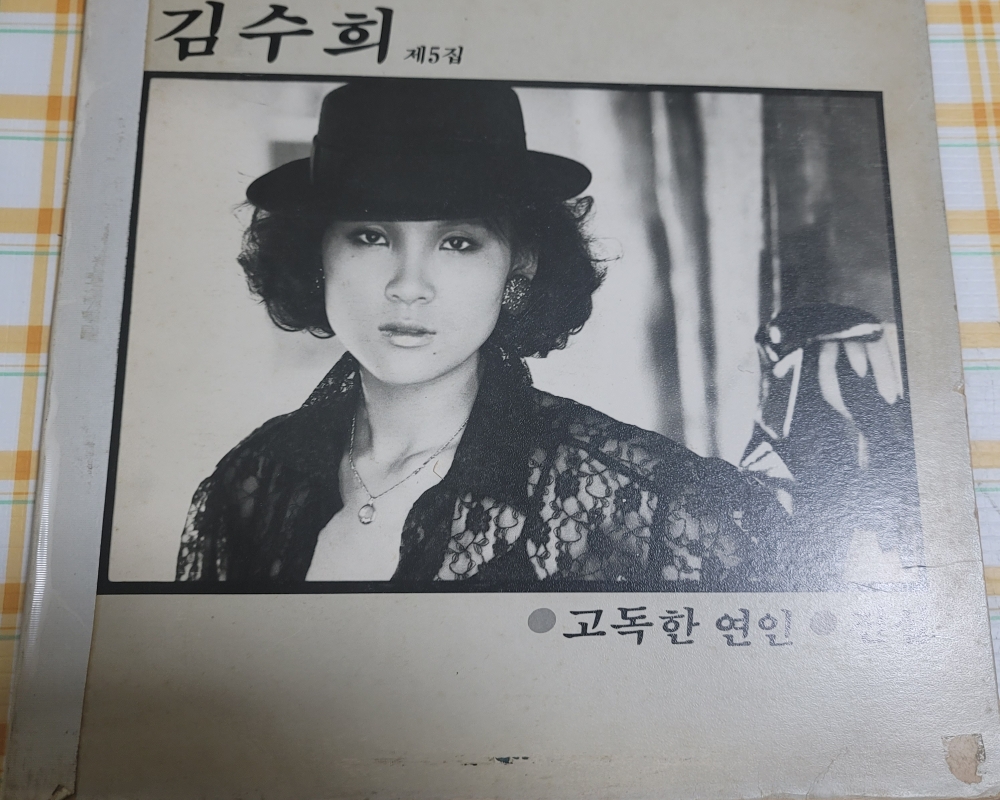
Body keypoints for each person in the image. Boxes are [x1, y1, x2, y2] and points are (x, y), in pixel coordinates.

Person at [176, 79, 798, 590]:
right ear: (318, 255)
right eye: (369, 236)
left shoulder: (651, 498)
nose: (408, 286)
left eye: (458, 242)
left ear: (519, 263)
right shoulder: (249, 482)